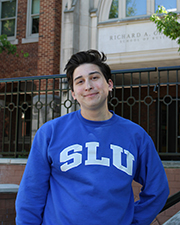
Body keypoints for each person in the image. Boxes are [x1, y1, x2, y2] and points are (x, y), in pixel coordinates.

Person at [16, 50, 169, 225]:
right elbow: (31, 194)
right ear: (73, 93)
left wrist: (135, 221)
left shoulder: (136, 136)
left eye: (94, 78)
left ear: (109, 84)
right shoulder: (50, 132)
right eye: (79, 81)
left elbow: (157, 188)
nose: (88, 86)